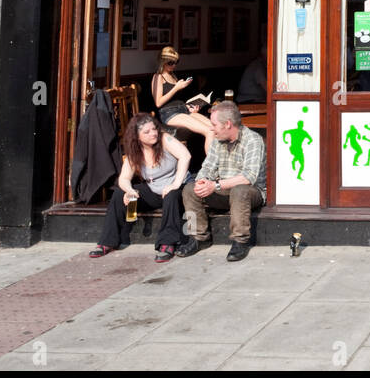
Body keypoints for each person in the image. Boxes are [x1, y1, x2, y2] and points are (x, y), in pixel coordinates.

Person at [89, 112, 198, 263]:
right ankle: (107, 242)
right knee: (119, 193)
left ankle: (167, 243)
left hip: (176, 188)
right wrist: (130, 191)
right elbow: (124, 178)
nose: (153, 133)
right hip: (154, 191)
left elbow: (185, 155)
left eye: (154, 129)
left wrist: (175, 184)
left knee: (172, 195)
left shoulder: (164, 138)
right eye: (146, 132)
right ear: (137, 136)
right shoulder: (135, 151)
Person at [177, 100, 266, 262]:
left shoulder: (253, 140)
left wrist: (216, 185)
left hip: (249, 192)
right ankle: (198, 238)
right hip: (222, 190)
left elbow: (248, 177)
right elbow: (207, 167)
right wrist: (202, 181)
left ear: (228, 124)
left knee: (240, 190)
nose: (211, 128)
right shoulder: (217, 141)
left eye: (214, 124)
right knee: (189, 188)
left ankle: (240, 240)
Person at [151, 46, 215, 153]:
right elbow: (158, 103)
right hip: (169, 113)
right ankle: (211, 168)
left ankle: (220, 162)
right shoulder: (158, 77)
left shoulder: (173, 75)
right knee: (209, 131)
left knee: (214, 128)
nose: (174, 65)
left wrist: (189, 107)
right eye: (171, 63)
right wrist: (176, 88)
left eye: (176, 62)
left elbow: (176, 99)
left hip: (182, 109)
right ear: (163, 62)